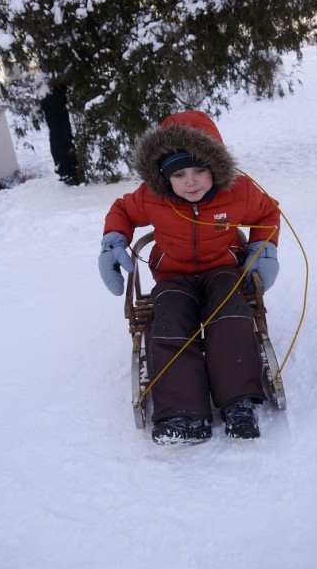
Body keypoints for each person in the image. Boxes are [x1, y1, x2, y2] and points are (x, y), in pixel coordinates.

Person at [98, 110, 279, 445]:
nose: (190, 181)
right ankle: (183, 412)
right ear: (165, 177)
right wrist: (114, 241)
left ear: (217, 167)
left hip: (222, 267)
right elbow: (122, 210)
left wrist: (262, 249)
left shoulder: (237, 192)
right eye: (179, 174)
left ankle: (238, 401)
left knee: (230, 314)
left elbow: (267, 212)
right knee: (169, 320)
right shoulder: (152, 198)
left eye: (200, 170)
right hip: (173, 275)